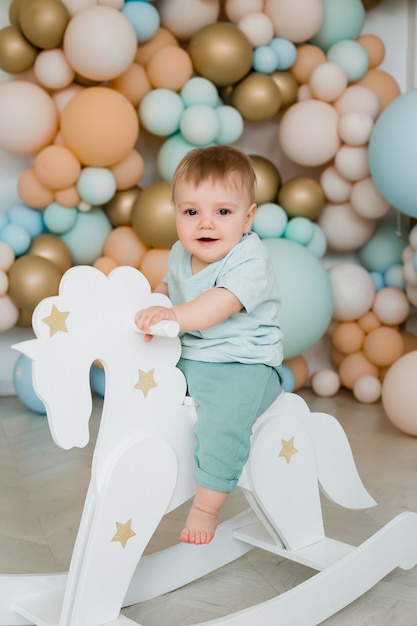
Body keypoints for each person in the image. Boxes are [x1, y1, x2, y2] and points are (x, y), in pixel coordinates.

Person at [134, 145, 284, 545]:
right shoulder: (181, 252)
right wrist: (154, 306)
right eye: (191, 212)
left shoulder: (249, 258)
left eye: (222, 212)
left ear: (247, 217)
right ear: (176, 214)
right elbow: (169, 287)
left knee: (222, 424)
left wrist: (176, 317)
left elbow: (218, 303)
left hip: (243, 365)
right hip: (192, 356)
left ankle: (207, 505)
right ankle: (144, 469)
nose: (206, 224)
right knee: (144, 394)